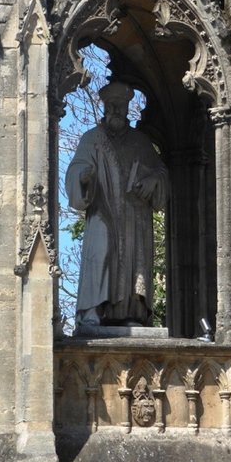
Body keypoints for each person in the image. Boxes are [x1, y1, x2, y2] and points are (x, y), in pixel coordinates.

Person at [65, 81, 168, 329]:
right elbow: (76, 168)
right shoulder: (92, 139)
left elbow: (162, 171)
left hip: (134, 217)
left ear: (127, 108)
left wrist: (153, 181)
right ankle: (92, 311)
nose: (115, 110)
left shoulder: (141, 142)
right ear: (104, 107)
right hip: (104, 211)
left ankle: (133, 312)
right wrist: (83, 176)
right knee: (102, 249)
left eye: (120, 106)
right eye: (111, 105)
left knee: (135, 261)